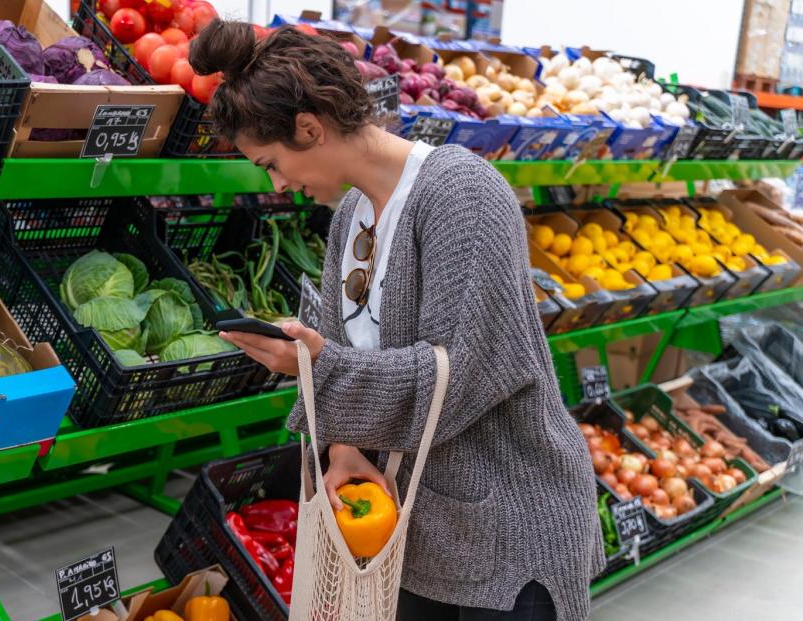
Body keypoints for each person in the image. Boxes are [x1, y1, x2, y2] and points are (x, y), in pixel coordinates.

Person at [193, 20, 602, 621]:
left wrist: (319, 367)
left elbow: (459, 376)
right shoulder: (349, 216)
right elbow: (342, 345)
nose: (278, 184)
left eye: (272, 162)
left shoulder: (462, 194)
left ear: (310, 128)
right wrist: (345, 450)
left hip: (510, 525)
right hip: (417, 525)